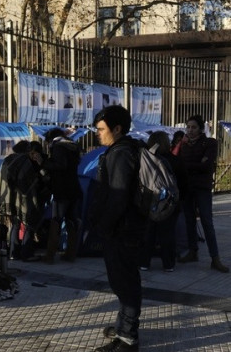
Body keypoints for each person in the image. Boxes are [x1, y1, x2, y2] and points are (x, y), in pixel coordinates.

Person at [88, 105, 145, 352]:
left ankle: (128, 340)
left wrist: (105, 226)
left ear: (117, 129)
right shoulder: (120, 150)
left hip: (123, 230)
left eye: (101, 129)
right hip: (121, 229)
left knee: (126, 283)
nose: (98, 134)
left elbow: (119, 197)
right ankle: (123, 329)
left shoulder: (121, 154)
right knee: (122, 282)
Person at [176, 115, 229, 273]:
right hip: (187, 188)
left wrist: (189, 165)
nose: (190, 130)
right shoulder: (183, 145)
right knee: (190, 220)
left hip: (202, 188)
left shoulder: (209, 143)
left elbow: (206, 166)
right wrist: (194, 163)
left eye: (193, 127)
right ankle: (193, 251)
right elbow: (177, 162)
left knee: (207, 221)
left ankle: (215, 258)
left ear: (200, 129)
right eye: (188, 127)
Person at [138, 131, 188, 272]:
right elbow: (184, 183)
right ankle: (168, 264)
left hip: (149, 200)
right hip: (169, 203)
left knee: (148, 233)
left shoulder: (145, 161)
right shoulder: (175, 160)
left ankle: (144, 262)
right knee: (168, 234)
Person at [31, 128, 82, 264]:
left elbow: (60, 165)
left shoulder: (59, 147)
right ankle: (71, 254)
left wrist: (42, 162)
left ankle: (50, 255)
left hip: (62, 189)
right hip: (74, 188)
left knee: (56, 220)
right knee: (71, 221)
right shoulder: (72, 146)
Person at [0, 140, 49, 261]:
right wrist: (41, 166)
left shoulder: (7, 160)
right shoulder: (25, 161)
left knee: (15, 223)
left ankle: (14, 253)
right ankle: (27, 253)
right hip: (23, 197)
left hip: (8, 197)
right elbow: (30, 180)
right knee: (30, 223)